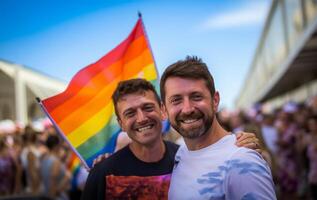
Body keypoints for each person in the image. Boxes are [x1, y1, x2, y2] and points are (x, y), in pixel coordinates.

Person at [81, 78, 261, 200]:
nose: (142, 118)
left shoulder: (186, 158)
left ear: (162, 110)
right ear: (121, 123)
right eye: (130, 113)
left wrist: (236, 146)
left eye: (148, 107)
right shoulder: (103, 173)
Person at [160, 56, 276, 199]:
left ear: (215, 101)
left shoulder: (243, 161)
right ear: (164, 110)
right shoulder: (180, 154)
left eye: (196, 97)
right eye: (176, 100)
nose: (187, 109)